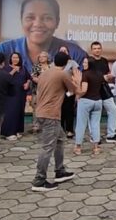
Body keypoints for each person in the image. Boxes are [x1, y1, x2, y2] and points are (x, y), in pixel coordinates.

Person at [0, 0, 86, 74]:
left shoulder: (75, 54)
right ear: (21, 20)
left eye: (47, 18)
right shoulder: (3, 50)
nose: (38, 24)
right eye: (30, 17)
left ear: (57, 22)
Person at [31, 53, 78, 192]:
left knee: (60, 139)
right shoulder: (62, 74)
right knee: (47, 147)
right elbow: (73, 91)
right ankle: (39, 180)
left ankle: (60, 171)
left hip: (41, 112)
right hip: (51, 115)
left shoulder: (44, 73)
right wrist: (76, 79)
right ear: (66, 63)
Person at [86, 42, 116, 144]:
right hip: (93, 90)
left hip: (104, 89)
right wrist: (102, 78)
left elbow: (107, 73)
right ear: (92, 50)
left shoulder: (104, 61)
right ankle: (94, 137)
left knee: (113, 110)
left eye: (98, 48)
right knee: (93, 114)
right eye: (95, 48)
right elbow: (86, 75)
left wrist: (109, 76)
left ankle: (111, 135)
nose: (97, 50)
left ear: (101, 49)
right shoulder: (88, 61)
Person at [74, 56, 104, 156]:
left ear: (90, 64)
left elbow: (84, 90)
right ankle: (96, 147)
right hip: (98, 101)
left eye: (85, 62)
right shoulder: (99, 74)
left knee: (81, 124)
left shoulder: (85, 74)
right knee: (95, 124)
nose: (83, 64)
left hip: (86, 101)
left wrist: (78, 93)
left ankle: (78, 147)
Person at [0, 52, 30, 140]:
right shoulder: (6, 68)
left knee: (19, 112)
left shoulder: (23, 68)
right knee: (11, 112)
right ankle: (8, 133)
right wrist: (13, 70)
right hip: (11, 94)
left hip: (21, 93)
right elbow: (5, 79)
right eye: (13, 57)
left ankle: (17, 130)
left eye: (17, 57)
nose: (15, 59)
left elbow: (28, 78)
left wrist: (27, 83)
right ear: (10, 59)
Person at [57, 46, 79, 138]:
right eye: (61, 50)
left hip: (69, 90)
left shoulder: (72, 63)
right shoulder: (54, 63)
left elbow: (76, 75)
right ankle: (60, 130)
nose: (63, 52)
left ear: (68, 52)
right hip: (58, 90)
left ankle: (69, 130)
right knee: (60, 110)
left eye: (65, 50)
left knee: (69, 110)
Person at [30, 51, 51, 133]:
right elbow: (33, 77)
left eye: (43, 56)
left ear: (47, 58)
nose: (41, 58)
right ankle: (36, 125)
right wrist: (44, 82)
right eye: (40, 57)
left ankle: (46, 126)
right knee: (36, 109)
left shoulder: (51, 66)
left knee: (48, 109)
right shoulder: (35, 67)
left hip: (49, 91)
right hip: (37, 91)